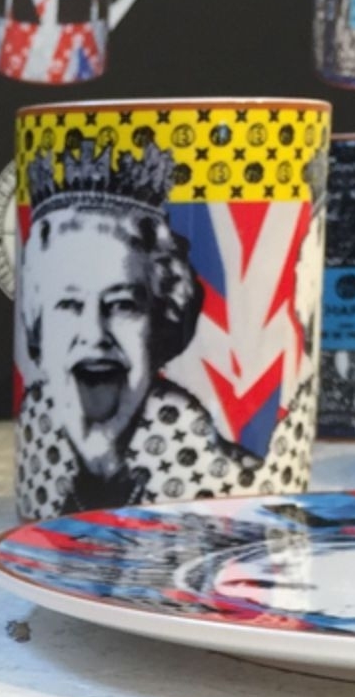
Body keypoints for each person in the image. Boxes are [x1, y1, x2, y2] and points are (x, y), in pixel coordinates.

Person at [14, 131, 237, 519]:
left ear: (161, 323)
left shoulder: (223, 481)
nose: (94, 335)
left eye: (121, 305)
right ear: (38, 326)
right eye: (68, 304)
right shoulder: (39, 442)